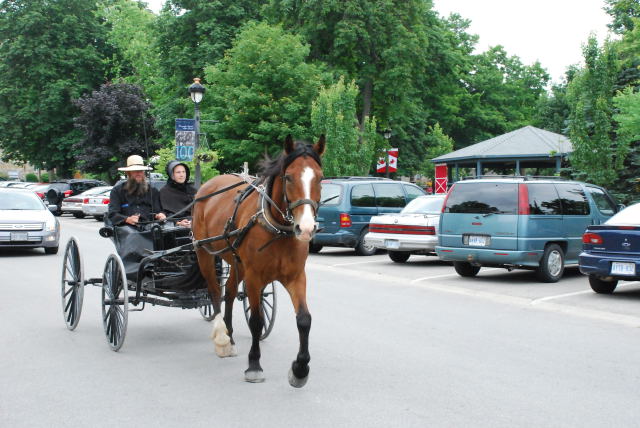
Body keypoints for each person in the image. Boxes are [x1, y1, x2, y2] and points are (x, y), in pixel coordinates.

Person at [107, 155, 166, 227]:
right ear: (128, 173)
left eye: (141, 171)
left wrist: (161, 214)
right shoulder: (117, 191)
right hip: (126, 230)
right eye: (135, 171)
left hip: (150, 228)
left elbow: (159, 210)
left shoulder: (153, 191)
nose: (138, 173)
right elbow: (113, 214)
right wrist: (127, 219)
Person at [160, 160, 197, 228]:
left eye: (183, 172)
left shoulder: (192, 190)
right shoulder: (164, 192)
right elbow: (165, 214)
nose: (182, 175)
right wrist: (178, 223)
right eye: (178, 172)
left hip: (195, 223)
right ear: (172, 175)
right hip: (175, 228)